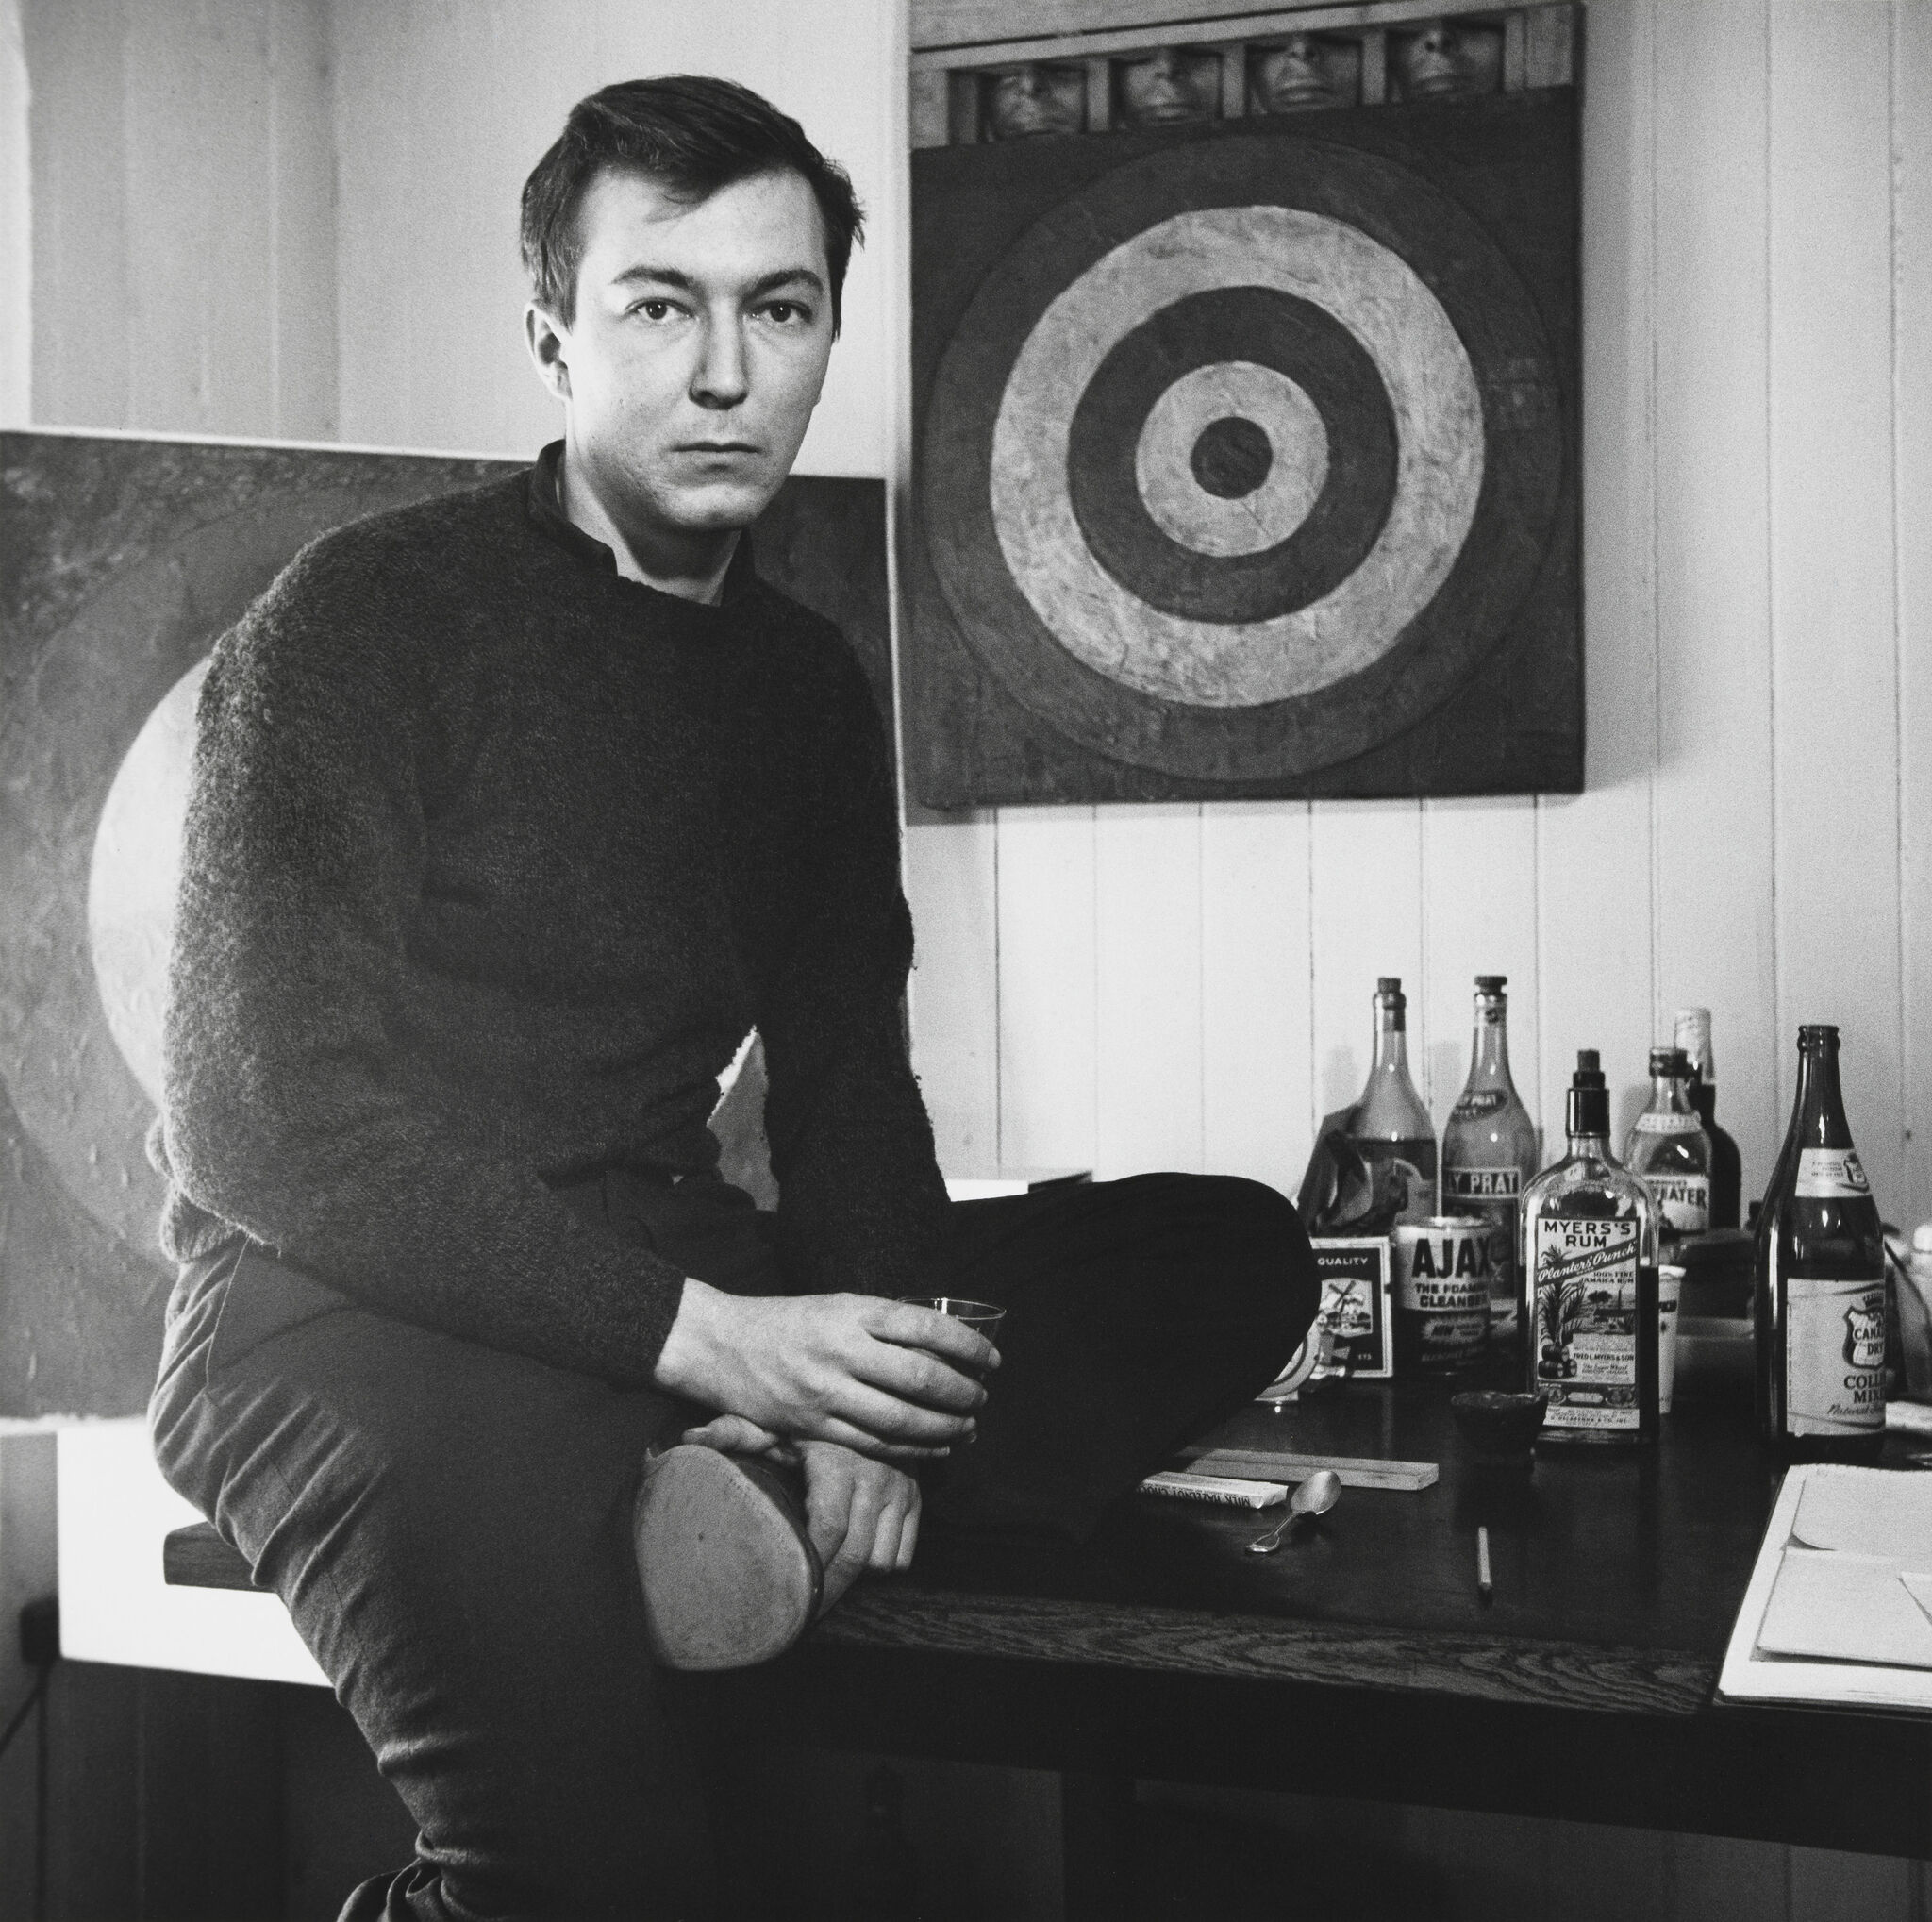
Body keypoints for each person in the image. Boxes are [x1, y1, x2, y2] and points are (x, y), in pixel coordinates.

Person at [147, 75, 1317, 1920]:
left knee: (1224, 1249)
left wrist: (876, 1386)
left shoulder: (796, 686)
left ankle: (757, 1479)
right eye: (657, 304)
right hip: (353, 1319)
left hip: (677, 1278)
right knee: (599, 1888)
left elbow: (851, 1081)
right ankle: (700, 1469)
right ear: (550, 328)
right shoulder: (363, 618)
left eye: (777, 309)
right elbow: (256, 1118)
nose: (723, 371)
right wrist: (709, 1339)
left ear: (823, 336)